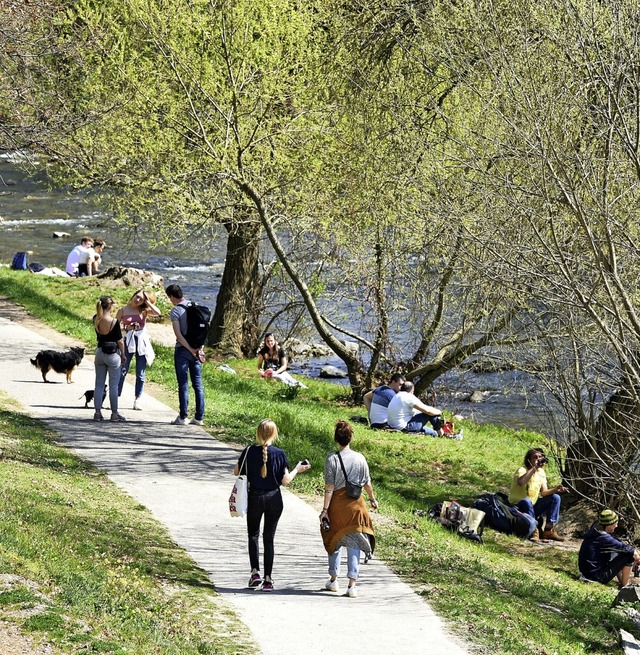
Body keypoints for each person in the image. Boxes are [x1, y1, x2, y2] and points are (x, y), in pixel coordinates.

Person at [234, 419, 310, 591]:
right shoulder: (280, 454)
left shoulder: (249, 451)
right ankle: (268, 579)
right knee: (269, 538)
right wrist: (297, 469)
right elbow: (285, 481)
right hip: (274, 499)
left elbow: (237, 472)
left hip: (254, 498)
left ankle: (255, 573)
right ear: (274, 433)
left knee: (253, 535)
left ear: (258, 433)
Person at [320, 420, 377, 598]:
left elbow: (329, 487)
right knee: (354, 543)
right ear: (350, 437)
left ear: (336, 439)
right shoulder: (360, 458)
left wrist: (325, 510)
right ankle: (352, 585)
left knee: (334, 540)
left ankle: (333, 579)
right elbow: (367, 483)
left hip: (337, 506)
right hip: (356, 507)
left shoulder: (332, 459)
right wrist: (373, 500)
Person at [165, 283, 205, 425]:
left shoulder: (176, 311)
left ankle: (183, 417)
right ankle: (199, 417)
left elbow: (179, 336)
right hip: (197, 349)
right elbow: (203, 331)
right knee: (198, 385)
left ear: (171, 296)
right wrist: (198, 349)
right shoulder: (195, 305)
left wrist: (189, 349)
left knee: (183, 384)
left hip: (183, 350)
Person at [508, 448, 568, 541]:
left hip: (533, 506)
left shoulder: (541, 472)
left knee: (555, 498)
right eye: (535, 457)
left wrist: (555, 489)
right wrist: (534, 468)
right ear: (529, 459)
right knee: (526, 501)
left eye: (540, 457)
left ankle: (548, 530)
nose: (538, 459)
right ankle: (534, 530)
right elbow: (521, 482)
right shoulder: (522, 470)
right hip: (518, 507)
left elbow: (544, 492)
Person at [116, 289, 161, 410]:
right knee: (123, 370)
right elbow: (114, 329)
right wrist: (127, 328)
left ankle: (138, 399)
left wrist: (148, 302)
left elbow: (158, 313)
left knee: (140, 373)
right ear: (133, 295)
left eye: (141, 299)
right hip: (127, 340)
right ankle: (116, 396)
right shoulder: (123, 310)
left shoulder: (144, 311)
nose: (137, 300)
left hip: (141, 341)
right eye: (137, 297)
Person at [579, 509, 640, 587]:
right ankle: (625, 586)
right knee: (629, 555)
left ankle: (622, 581)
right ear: (609, 525)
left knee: (619, 552)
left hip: (586, 574)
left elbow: (618, 545)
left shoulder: (595, 532)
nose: (616, 526)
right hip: (596, 577)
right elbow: (629, 550)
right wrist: (637, 558)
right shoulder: (604, 538)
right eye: (615, 523)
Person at [92, 295, 126, 422]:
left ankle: (97, 412)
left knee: (99, 384)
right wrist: (123, 354)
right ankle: (114, 413)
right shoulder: (114, 322)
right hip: (113, 354)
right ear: (110, 306)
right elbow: (120, 341)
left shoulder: (96, 319)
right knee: (113, 386)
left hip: (100, 352)